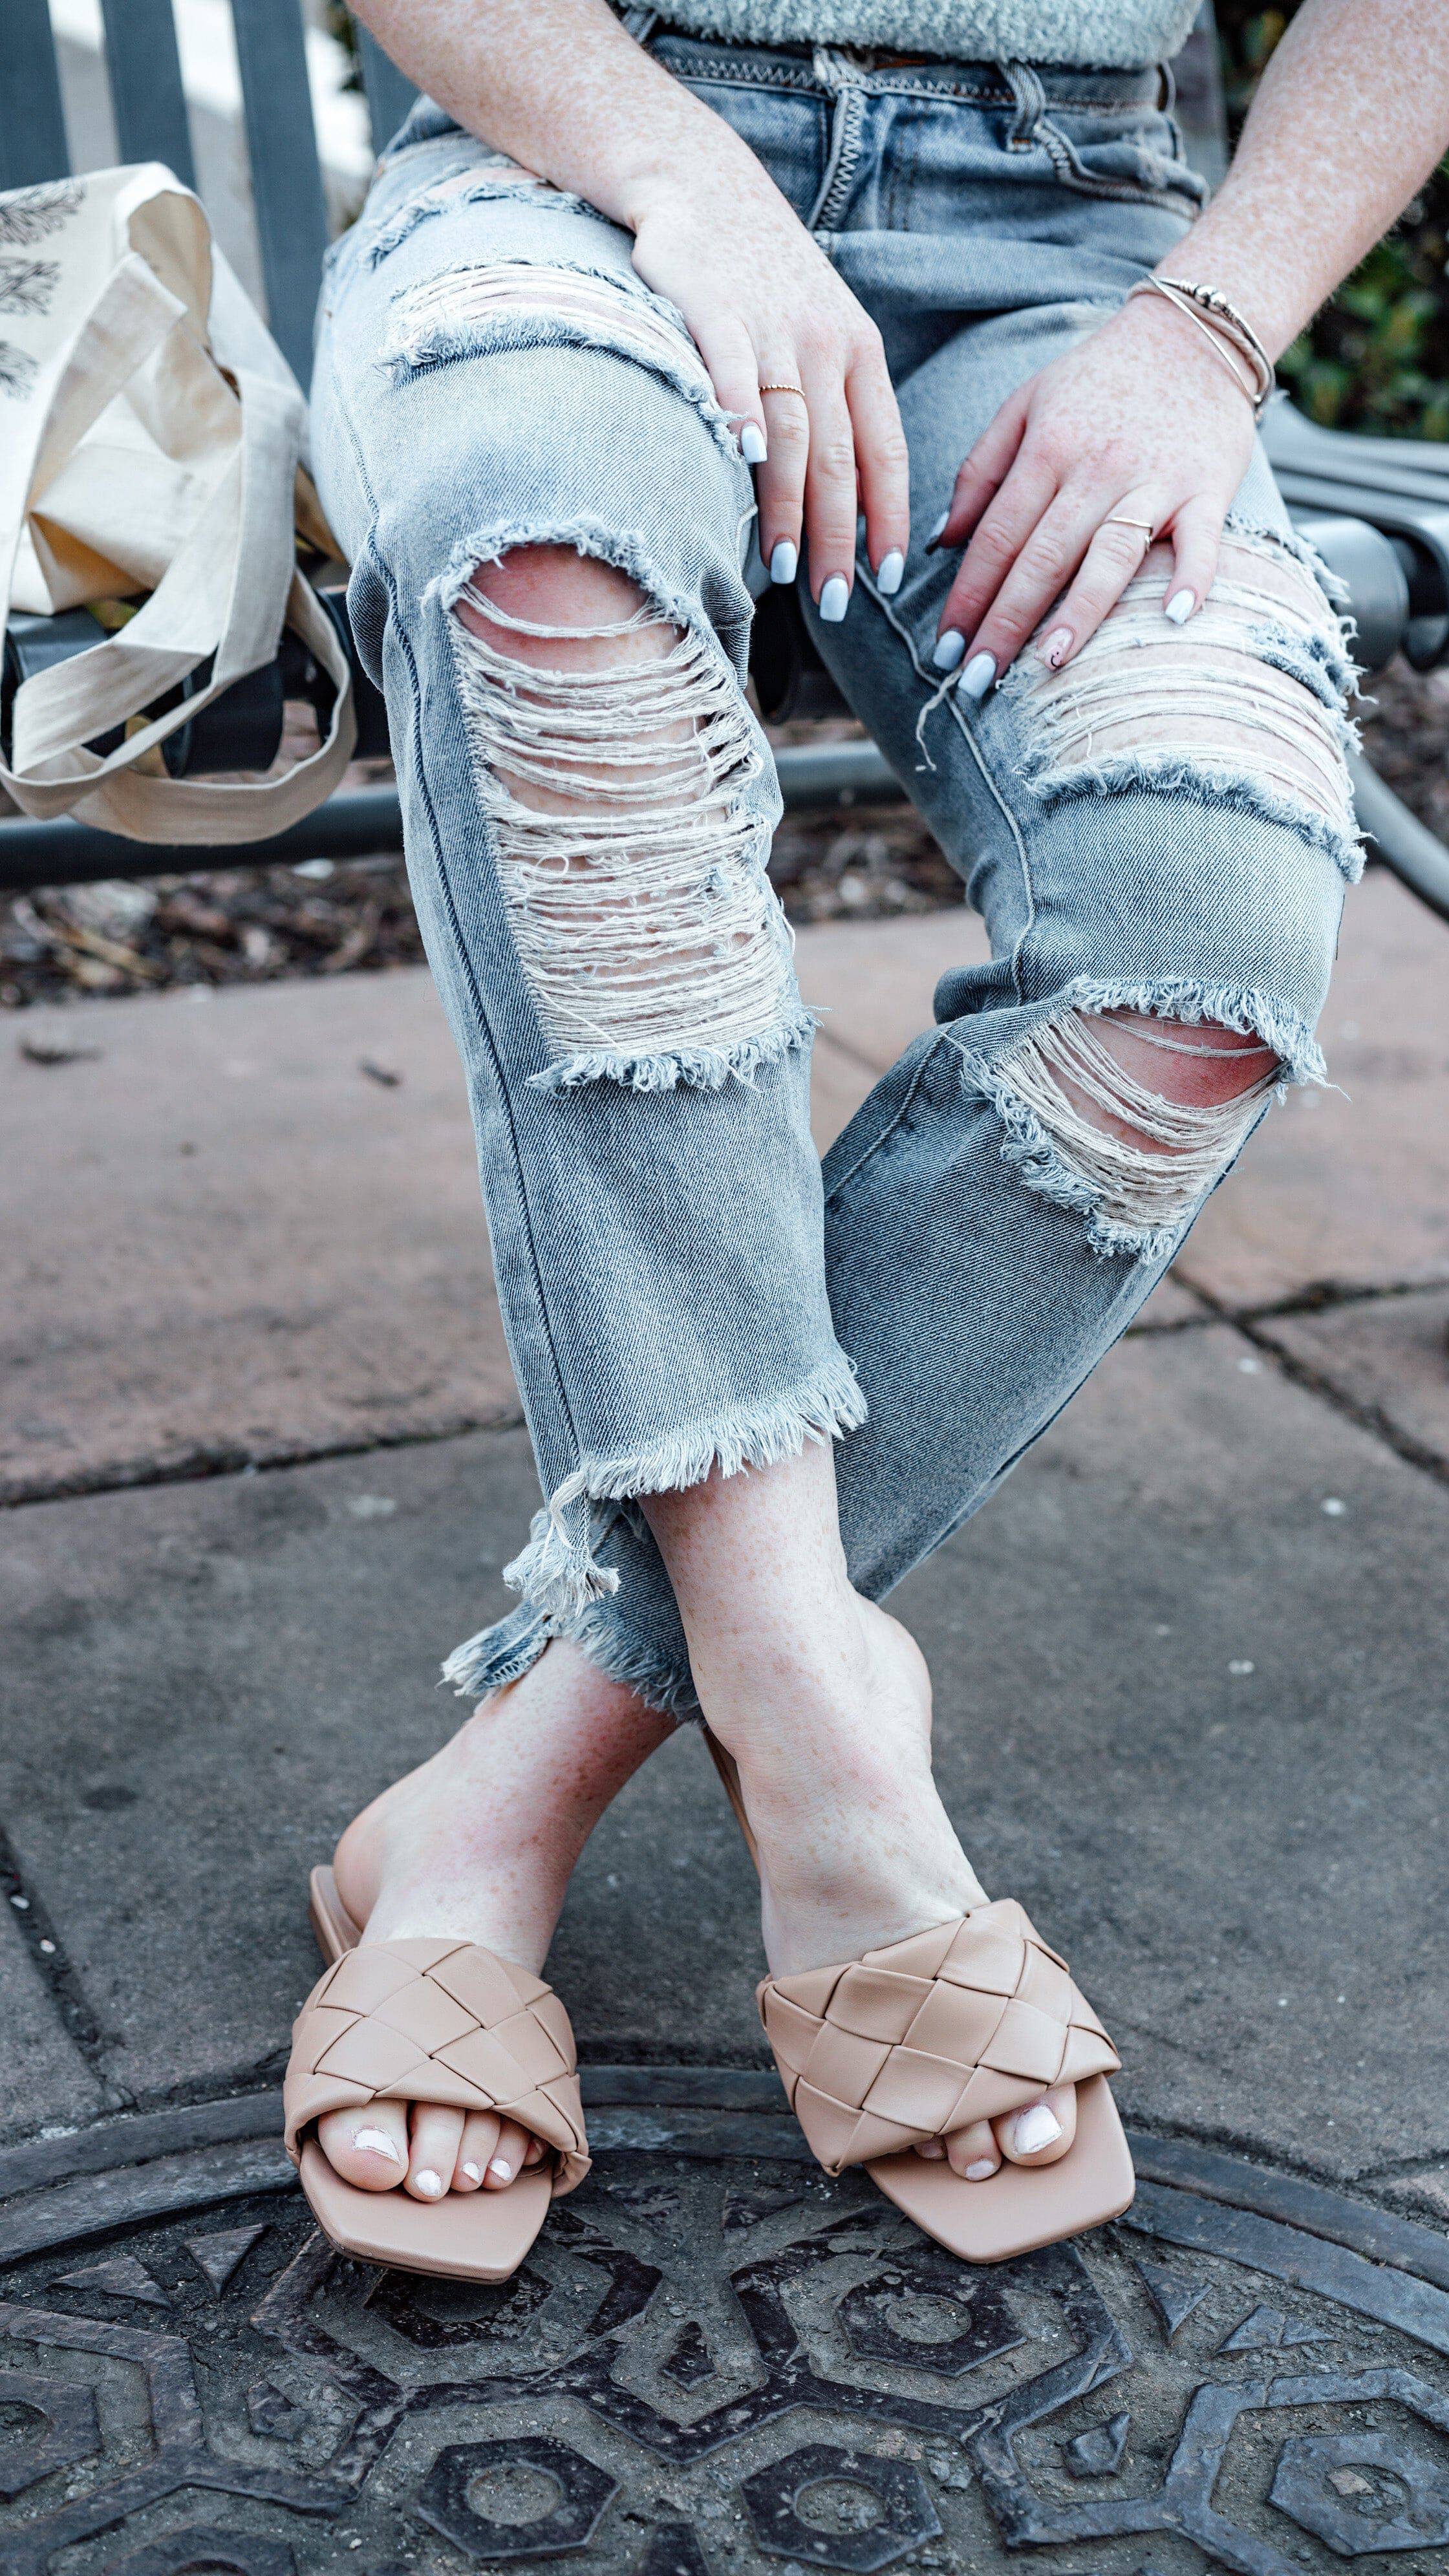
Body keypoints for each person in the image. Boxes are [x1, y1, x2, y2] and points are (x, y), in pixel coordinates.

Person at [284, 0, 1449, 2276]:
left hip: (1088, 260)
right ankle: (824, 1744)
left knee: (1191, 927)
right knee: (551, 586)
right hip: (577, 173)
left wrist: (1205, 330)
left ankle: (508, 1790)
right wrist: (686, 180)